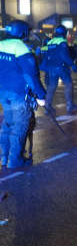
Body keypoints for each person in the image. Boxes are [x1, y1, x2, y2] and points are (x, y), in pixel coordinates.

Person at [0, 20, 47, 168]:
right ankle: (14, 159)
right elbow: (30, 75)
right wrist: (40, 95)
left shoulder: (1, 45)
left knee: (7, 123)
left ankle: (4, 157)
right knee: (20, 125)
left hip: (4, 92)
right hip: (19, 93)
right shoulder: (21, 48)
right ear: (22, 33)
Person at [46, 24, 77, 114]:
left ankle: (48, 106)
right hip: (61, 67)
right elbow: (64, 55)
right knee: (69, 85)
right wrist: (72, 64)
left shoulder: (51, 42)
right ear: (64, 32)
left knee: (51, 87)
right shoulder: (62, 42)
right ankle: (70, 104)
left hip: (51, 67)